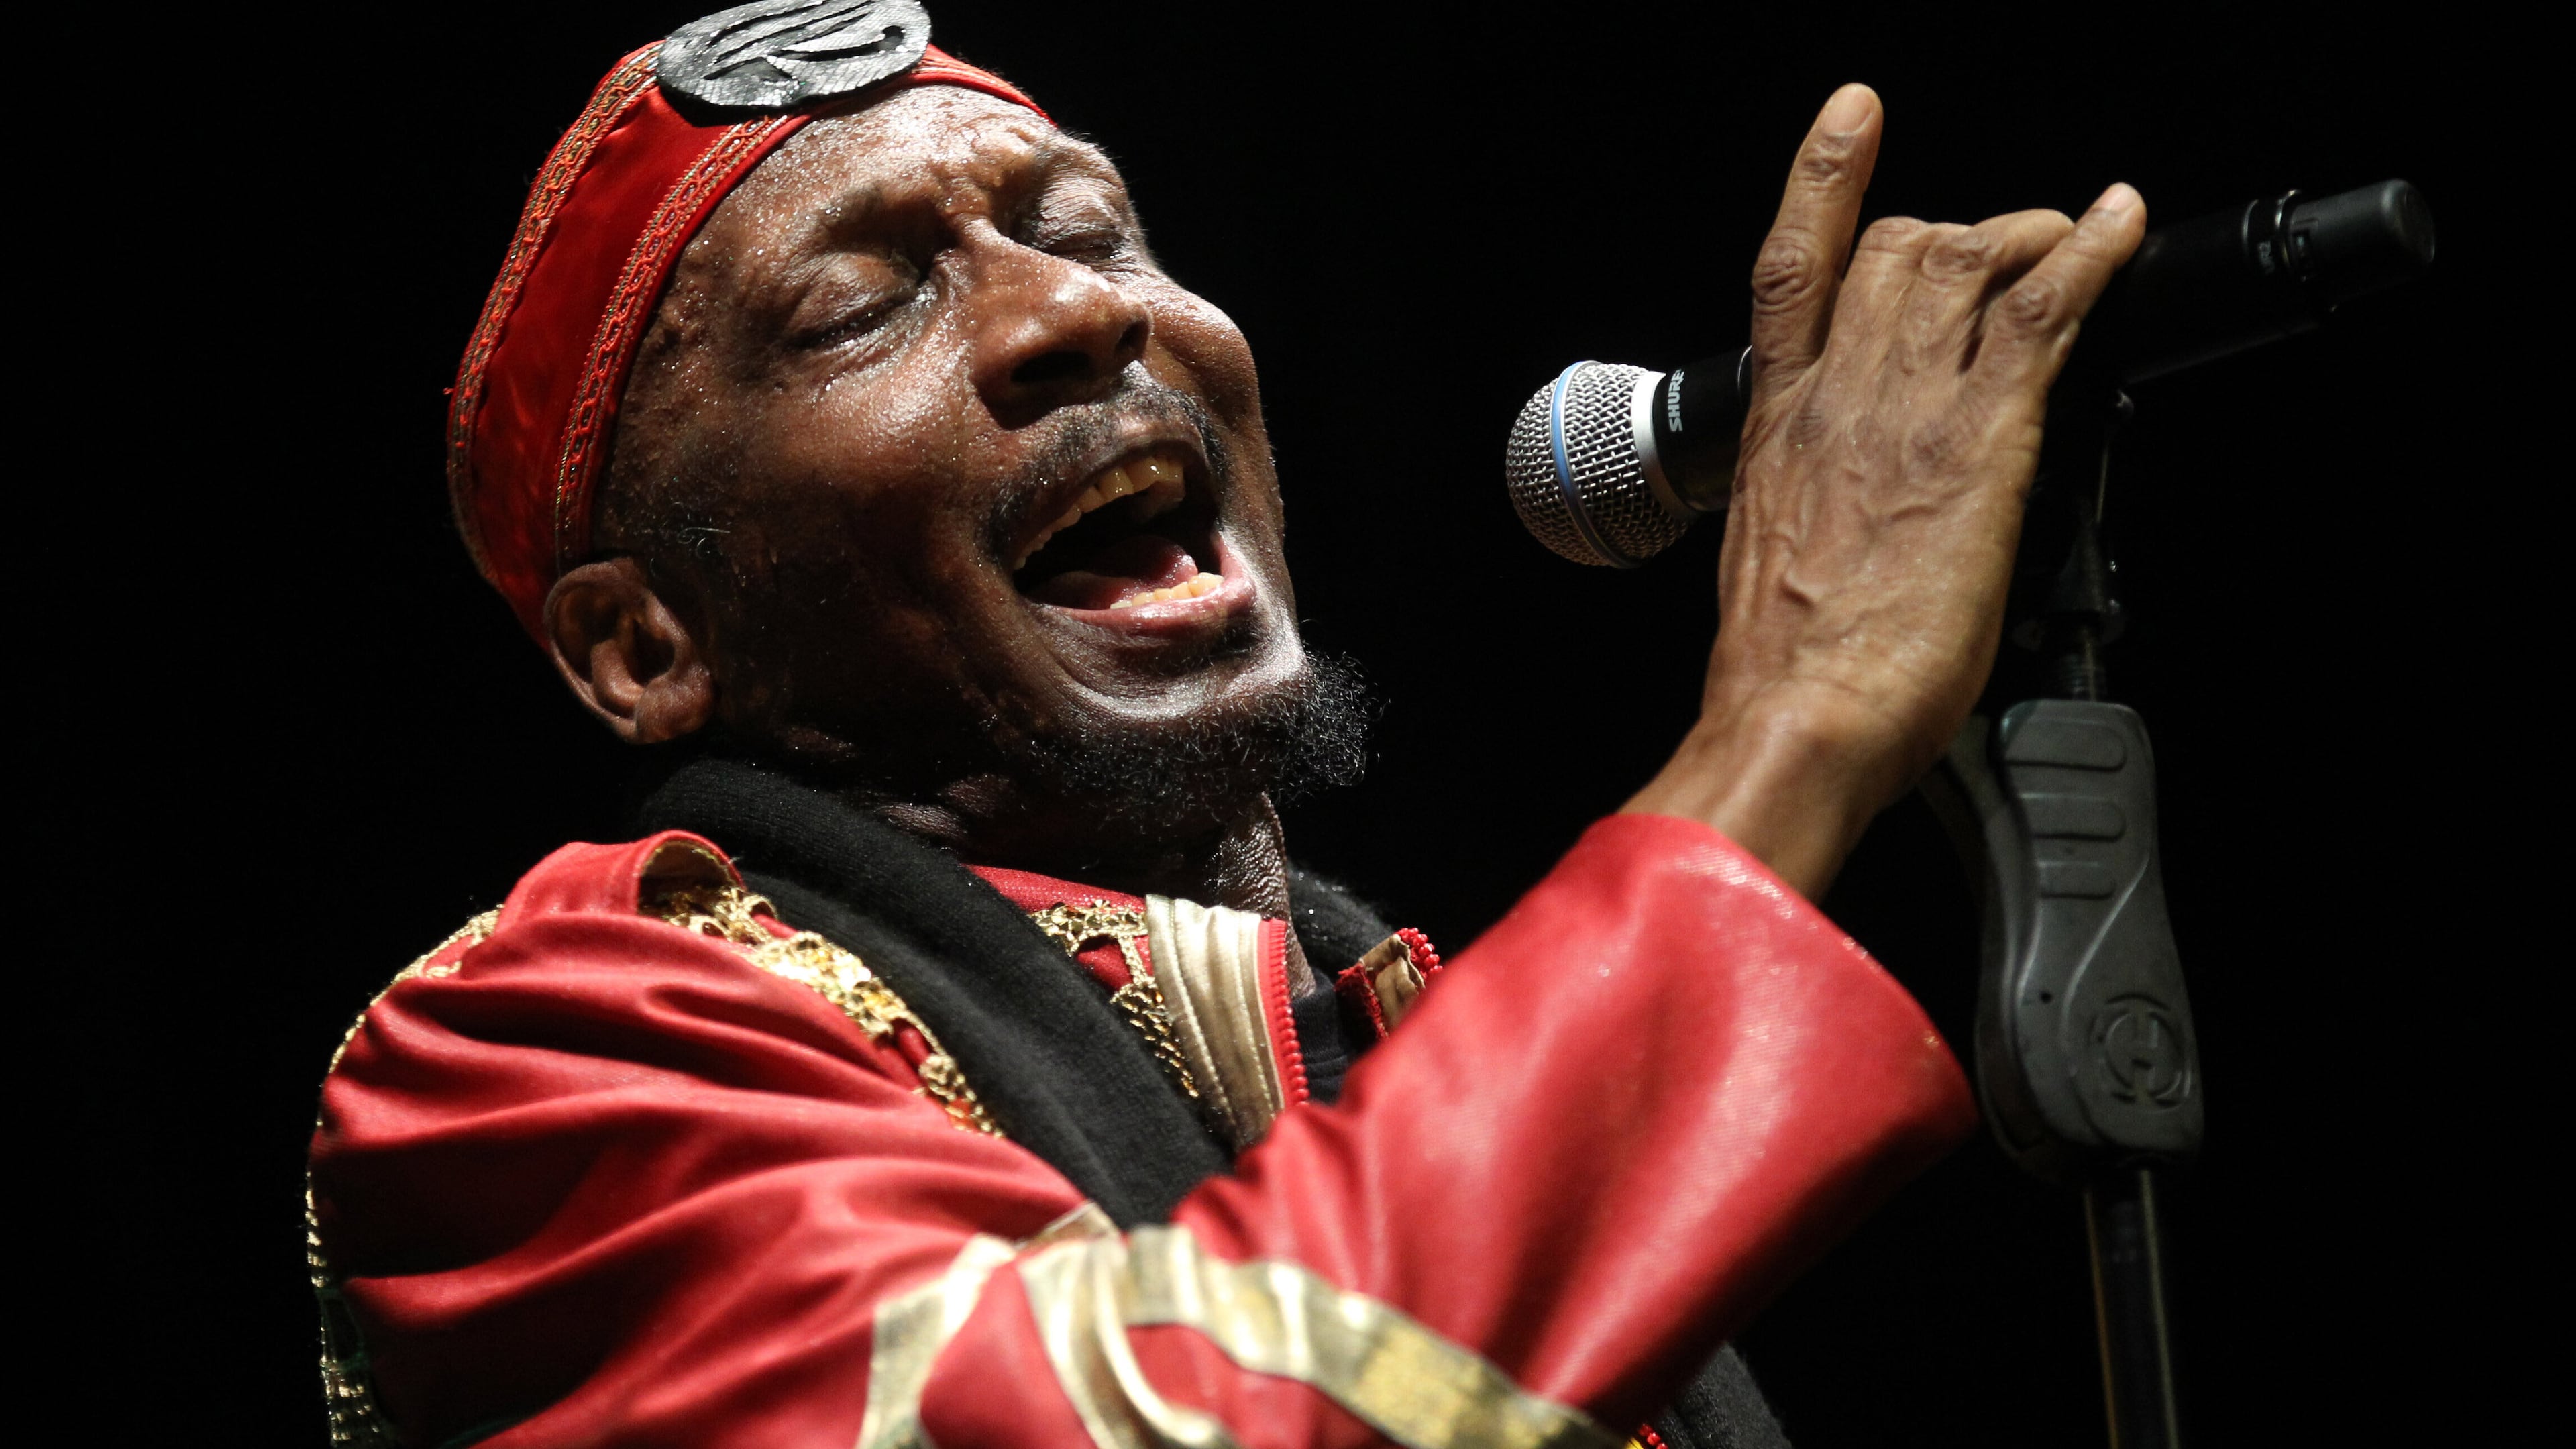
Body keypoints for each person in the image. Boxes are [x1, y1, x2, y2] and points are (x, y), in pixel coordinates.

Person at [306, 5, 2147, 1445]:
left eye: (1089, 228)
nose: (1072, 314)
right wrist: (1802, 720)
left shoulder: (1376, 1022)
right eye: (862, 306)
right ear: (645, 649)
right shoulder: (531, 1065)